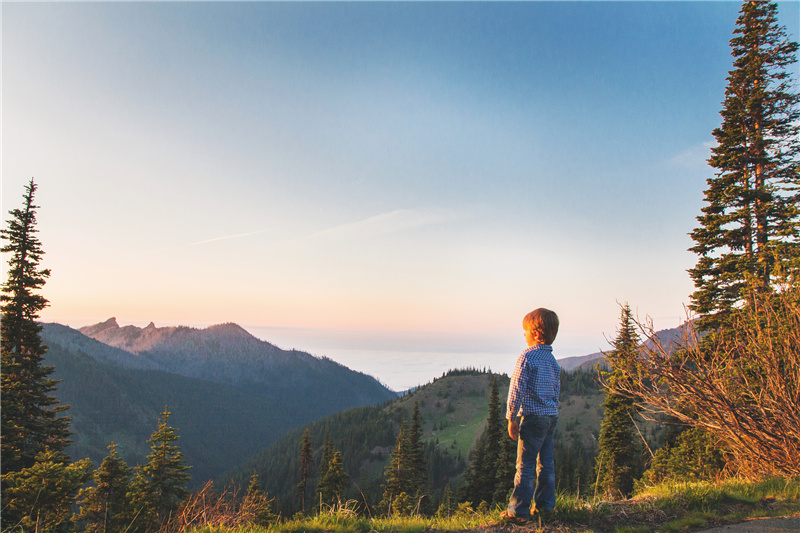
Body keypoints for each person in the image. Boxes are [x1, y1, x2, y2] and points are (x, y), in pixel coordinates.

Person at [500, 308, 560, 524]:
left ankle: (519, 510)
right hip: (550, 417)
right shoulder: (552, 361)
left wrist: (511, 417)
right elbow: (555, 390)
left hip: (533, 418)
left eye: (525, 331)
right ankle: (545, 507)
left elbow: (516, 387)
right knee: (546, 463)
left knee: (524, 465)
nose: (523, 335)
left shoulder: (527, 357)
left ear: (535, 334)